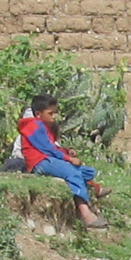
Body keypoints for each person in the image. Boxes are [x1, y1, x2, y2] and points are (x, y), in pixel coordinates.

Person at [16, 94, 108, 228]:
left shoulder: (43, 126)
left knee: (87, 171)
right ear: (38, 114)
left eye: (55, 113)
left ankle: (94, 187)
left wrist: (65, 151)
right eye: (50, 113)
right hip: (40, 162)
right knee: (73, 173)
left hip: (47, 159)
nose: (54, 116)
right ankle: (86, 214)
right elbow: (46, 148)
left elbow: (51, 146)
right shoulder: (34, 125)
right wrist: (68, 158)